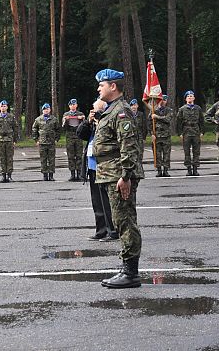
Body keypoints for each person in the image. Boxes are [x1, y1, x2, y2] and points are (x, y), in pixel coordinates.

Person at [92, 69, 144, 288]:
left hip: (119, 175)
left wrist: (126, 175)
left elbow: (129, 145)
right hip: (110, 174)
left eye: (101, 85)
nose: (98, 89)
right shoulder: (111, 110)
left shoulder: (121, 111)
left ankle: (130, 273)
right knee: (120, 221)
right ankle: (127, 269)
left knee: (125, 222)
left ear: (113, 86)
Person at [77, 100, 118, 242]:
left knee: (107, 201)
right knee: (97, 202)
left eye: (96, 110)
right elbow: (80, 134)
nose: (94, 112)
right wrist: (88, 121)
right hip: (92, 166)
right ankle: (101, 230)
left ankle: (112, 230)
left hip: (105, 166)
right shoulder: (92, 123)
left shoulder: (107, 121)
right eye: (93, 110)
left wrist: (100, 120)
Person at [176, 90, 205, 176]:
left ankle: (195, 169)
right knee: (187, 151)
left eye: (191, 96)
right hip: (186, 131)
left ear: (194, 98)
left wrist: (202, 132)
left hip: (196, 131)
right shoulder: (182, 109)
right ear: (185, 99)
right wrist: (180, 133)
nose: (190, 97)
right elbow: (178, 121)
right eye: (188, 96)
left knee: (196, 151)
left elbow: (201, 121)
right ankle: (189, 169)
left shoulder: (198, 108)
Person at [32, 103, 61, 181]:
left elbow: (58, 130)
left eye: (47, 109)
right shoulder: (38, 119)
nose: (46, 110)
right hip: (42, 142)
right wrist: (36, 139)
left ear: (50, 110)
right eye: (44, 109)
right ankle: (45, 175)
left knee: (51, 159)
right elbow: (34, 129)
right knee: (43, 159)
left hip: (51, 142)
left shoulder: (54, 119)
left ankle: (51, 175)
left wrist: (56, 139)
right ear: (42, 110)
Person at [150, 95, 173, 177]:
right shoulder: (153, 110)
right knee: (157, 154)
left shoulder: (169, 110)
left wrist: (157, 117)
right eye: (161, 100)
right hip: (156, 136)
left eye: (164, 100)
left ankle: (166, 170)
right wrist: (152, 134)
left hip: (166, 136)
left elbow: (167, 119)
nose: (163, 102)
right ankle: (159, 170)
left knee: (166, 154)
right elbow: (149, 123)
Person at [62, 98, 85, 181]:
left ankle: (79, 174)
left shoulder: (80, 114)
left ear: (76, 105)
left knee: (79, 155)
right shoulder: (66, 114)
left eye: (74, 104)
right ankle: (72, 174)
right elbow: (64, 127)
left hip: (78, 136)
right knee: (71, 156)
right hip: (70, 137)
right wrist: (66, 120)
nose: (73, 106)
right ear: (69, 106)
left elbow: (84, 125)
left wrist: (82, 119)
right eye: (71, 105)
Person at [129, 99, 148, 168]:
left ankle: (139, 168)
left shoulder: (141, 114)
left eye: (135, 105)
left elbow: (144, 126)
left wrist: (144, 137)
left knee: (140, 154)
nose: (133, 107)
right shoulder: (128, 115)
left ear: (137, 106)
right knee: (132, 154)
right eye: (132, 106)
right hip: (131, 137)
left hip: (140, 137)